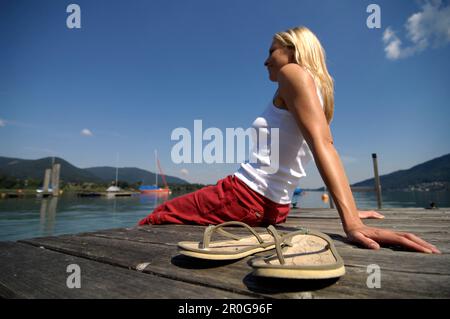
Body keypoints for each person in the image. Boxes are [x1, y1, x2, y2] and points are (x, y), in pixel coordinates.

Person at [139, 26, 440, 254]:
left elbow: (324, 145)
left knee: (158, 215)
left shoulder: (293, 73)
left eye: (272, 51)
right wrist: (347, 207)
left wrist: (352, 222)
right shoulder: (315, 89)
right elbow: (320, 144)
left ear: (293, 50)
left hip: (245, 196)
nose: (265, 61)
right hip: (273, 206)